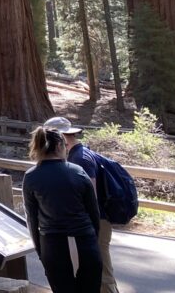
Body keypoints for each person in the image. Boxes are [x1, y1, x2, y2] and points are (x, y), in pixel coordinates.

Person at [44, 116, 119, 293]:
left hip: (96, 219)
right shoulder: (79, 154)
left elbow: (90, 195)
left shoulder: (80, 158)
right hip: (93, 219)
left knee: (102, 268)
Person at [23, 126, 102, 293]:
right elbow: (94, 212)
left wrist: (40, 250)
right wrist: (94, 239)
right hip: (85, 241)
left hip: (52, 245)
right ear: (60, 146)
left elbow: (32, 219)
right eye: (65, 145)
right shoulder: (78, 172)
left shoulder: (31, 176)